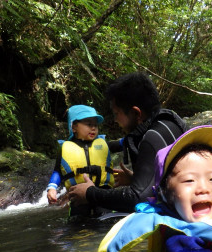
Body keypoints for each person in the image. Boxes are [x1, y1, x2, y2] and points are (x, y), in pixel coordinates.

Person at [69, 72, 187, 213]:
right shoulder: (168, 124)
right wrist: (136, 180)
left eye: (116, 113)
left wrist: (89, 193)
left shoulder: (152, 137)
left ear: (136, 113)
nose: (115, 120)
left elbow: (138, 198)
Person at [46, 104, 114, 217]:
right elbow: (58, 171)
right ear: (74, 127)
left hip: (103, 193)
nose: (93, 128)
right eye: (89, 124)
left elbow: (124, 142)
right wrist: (52, 188)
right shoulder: (65, 148)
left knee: (106, 218)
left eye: (95, 125)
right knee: (78, 224)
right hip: (78, 196)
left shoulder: (103, 143)